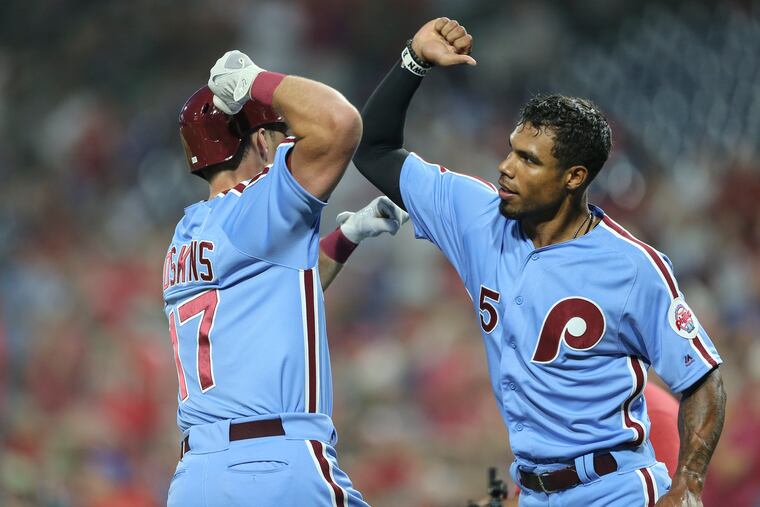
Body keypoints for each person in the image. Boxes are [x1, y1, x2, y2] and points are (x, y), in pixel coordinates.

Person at [353, 18, 726, 507]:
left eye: (529, 160)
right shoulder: (477, 216)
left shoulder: (632, 267)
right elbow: (375, 150)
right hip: (531, 491)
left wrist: (690, 482)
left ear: (573, 177)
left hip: (614, 488)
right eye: (511, 151)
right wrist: (413, 61)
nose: (506, 167)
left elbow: (703, 379)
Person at [163, 50, 407, 507]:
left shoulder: (188, 234)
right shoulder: (253, 206)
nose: (286, 143)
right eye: (278, 133)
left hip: (198, 477)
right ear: (257, 140)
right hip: (272, 467)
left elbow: (284, 292)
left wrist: (345, 237)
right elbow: (339, 124)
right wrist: (255, 80)